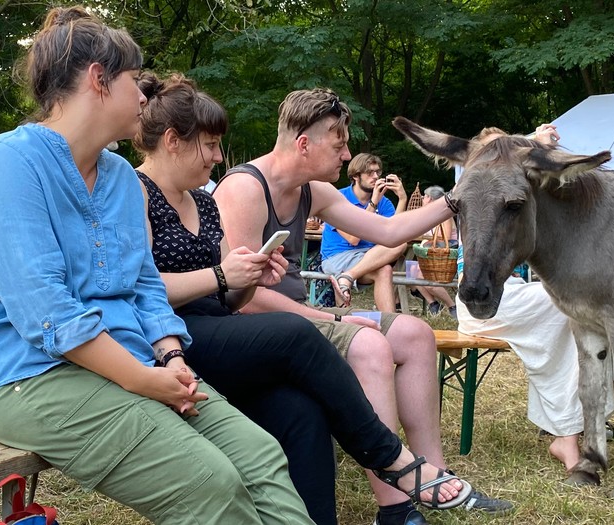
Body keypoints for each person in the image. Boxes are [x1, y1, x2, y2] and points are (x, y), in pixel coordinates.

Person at [0, 8, 314, 524]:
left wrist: (169, 357)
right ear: (99, 80)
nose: (144, 98)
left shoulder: (122, 177)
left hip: (135, 362)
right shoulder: (6, 164)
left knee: (260, 457)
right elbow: (44, 313)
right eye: (132, 82)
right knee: (207, 483)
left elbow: (144, 284)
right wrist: (143, 381)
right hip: (27, 376)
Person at [132, 71, 481, 525]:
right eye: (212, 145)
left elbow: (233, 296)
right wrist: (226, 277)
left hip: (222, 326)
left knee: (305, 414)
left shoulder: (201, 200)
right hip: (172, 337)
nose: (219, 157)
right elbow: (139, 287)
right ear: (175, 141)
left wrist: (249, 275)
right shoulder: (141, 191)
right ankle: (393, 464)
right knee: (306, 334)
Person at [213, 88, 512, 525]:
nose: (347, 153)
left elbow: (389, 232)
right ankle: (394, 510)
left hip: (304, 316)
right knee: (368, 343)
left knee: (415, 333)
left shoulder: (311, 191)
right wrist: (331, 317)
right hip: (268, 327)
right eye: (339, 144)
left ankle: (432, 476)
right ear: (303, 144)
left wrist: (456, 198)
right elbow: (245, 297)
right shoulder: (244, 189)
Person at [456, 124, 614, 471]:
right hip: (485, 297)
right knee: (575, 306)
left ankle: (588, 413)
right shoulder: (475, 190)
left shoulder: (516, 191)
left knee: (578, 306)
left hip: (510, 294)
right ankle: (582, 422)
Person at [320, 153, 408, 312]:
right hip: (339, 256)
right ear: (355, 176)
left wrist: (402, 198)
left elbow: (396, 235)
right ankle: (347, 277)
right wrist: (373, 203)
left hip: (366, 257)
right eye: (370, 173)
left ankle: (390, 324)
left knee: (393, 257)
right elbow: (353, 238)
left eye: (378, 172)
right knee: (386, 265)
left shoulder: (384, 202)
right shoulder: (338, 198)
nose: (375, 177)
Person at [411, 185, 457, 318]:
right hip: (432, 253)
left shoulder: (445, 214)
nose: (422, 199)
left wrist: (427, 241)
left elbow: (446, 238)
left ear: (430, 198)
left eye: (424, 196)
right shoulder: (428, 215)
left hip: (445, 254)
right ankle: (433, 303)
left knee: (423, 275)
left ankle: (451, 305)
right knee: (412, 271)